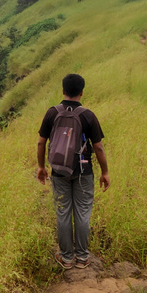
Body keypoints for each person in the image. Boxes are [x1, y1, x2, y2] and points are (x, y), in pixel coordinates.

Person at [36, 73, 110, 269]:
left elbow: (41, 142)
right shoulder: (88, 115)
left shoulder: (52, 113)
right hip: (84, 171)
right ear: (82, 92)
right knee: (83, 213)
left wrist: (42, 167)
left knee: (63, 213)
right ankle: (83, 258)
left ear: (63, 91)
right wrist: (105, 172)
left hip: (59, 171)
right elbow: (99, 148)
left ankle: (67, 258)